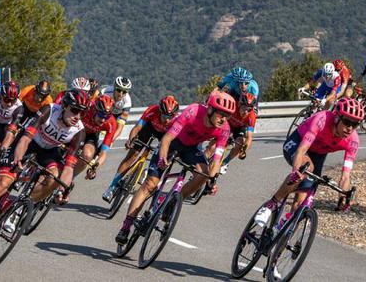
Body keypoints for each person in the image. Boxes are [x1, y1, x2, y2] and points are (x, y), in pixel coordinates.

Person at [0, 89, 89, 250]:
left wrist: (63, 190)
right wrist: (17, 161)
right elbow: (24, 139)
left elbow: (68, 168)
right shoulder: (49, 110)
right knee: (3, 183)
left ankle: (19, 205)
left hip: (49, 152)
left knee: (54, 178)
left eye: (82, 112)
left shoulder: (79, 131)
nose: (78, 116)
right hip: (28, 143)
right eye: (75, 110)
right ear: (65, 106)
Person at [115, 91, 234, 245]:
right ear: (210, 109)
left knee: (204, 174)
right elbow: (166, 139)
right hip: (173, 142)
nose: (223, 118)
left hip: (191, 148)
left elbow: (217, 159)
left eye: (228, 115)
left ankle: (175, 201)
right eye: (221, 113)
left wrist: (212, 179)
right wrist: (162, 159)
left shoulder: (224, 128)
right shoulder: (193, 111)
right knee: (150, 184)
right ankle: (126, 226)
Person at [253, 97, 363, 229]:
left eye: (355, 124)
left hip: (318, 154)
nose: (350, 128)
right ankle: (270, 205)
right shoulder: (322, 120)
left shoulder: (353, 141)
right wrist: (295, 173)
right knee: (307, 169)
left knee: (302, 201)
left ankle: (285, 227)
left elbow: (345, 176)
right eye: (347, 122)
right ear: (337, 117)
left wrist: (342, 196)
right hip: (298, 143)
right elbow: (302, 150)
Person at [102, 95, 180, 202]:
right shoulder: (152, 110)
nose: (167, 120)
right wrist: (131, 140)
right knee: (132, 155)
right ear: (160, 111)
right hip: (149, 128)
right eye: (164, 116)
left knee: (161, 158)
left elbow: (174, 141)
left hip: (165, 135)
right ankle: (111, 187)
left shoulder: (177, 120)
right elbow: (137, 127)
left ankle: (147, 171)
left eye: (170, 117)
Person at [73, 94, 118, 182]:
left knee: (87, 155)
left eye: (107, 117)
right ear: (94, 110)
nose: (103, 120)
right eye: (101, 115)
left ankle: (69, 178)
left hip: (91, 135)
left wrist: (94, 168)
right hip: (76, 129)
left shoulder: (111, 123)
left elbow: (104, 152)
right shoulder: (86, 108)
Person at [217, 92, 257, 174]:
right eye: (244, 108)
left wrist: (244, 151)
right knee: (215, 144)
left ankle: (225, 162)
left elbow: (249, 137)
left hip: (239, 128)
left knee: (240, 144)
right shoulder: (233, 106)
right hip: (227, 124)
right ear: (239, 104)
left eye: (249, 109)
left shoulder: (252, 116)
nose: (246, 112)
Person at [102, 76, 132, 142]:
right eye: (119, 90)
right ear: (114, 88)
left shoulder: (127, 101)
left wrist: (110, 141)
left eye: (124, 92)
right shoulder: (105, 92)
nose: (121, 94)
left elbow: (120, 127)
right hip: (103, 113)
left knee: (110, 139)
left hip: (116, 116)